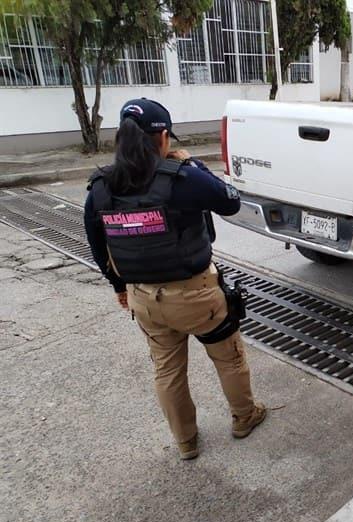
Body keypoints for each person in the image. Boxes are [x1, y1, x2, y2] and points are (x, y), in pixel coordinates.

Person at [83, 98, 265, 460]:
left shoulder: (102, 187)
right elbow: (230, 201)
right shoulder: (181, 177)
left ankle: (186, 442)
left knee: (167, 370)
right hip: (197, 299)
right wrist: (193, 164)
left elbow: (96, 244)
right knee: (228, 359)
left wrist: (119, 289)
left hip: (145, 300)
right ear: (163, 136)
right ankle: (244, 417)